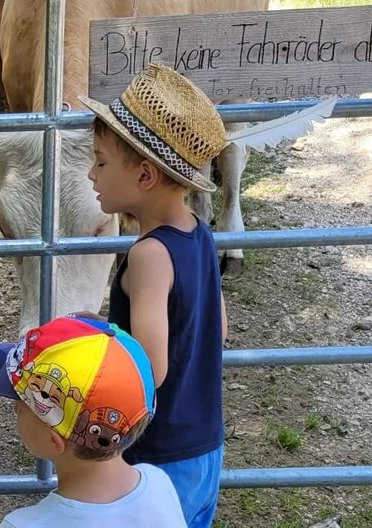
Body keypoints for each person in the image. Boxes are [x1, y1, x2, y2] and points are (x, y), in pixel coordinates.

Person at [79, 63, 229, 527]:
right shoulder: (198, 232)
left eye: (101, 161)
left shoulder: (148, 255)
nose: (91, 174)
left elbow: (151, 367)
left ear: (145, 176)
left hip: (159, 453)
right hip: (206, 445)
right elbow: (218, 329)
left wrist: (98, 343)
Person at [0, 315, 185, 527]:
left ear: (54, 441)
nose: (14, 408)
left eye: (20, 406)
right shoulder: (158, 483)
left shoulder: (23, 524)